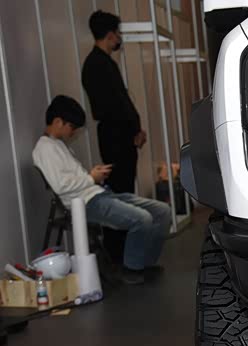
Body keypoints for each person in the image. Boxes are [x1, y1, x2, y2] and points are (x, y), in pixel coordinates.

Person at [33, 96, 170, 285]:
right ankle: (131, 269)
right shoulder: (44, 149)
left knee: (163, 211)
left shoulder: (58, 145)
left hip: (98, 194)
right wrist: (91, 177)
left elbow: (73, 179)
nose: (73, 132)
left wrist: (93, 175)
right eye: (72, 127)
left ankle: (144, 264)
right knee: (142, 219)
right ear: (58, 122)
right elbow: (61, 185)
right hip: (86, 203)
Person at [81, 10, 146, 194]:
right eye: (118, 34)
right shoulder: (99, 65)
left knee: (123, 185)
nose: (119, 39)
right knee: (122, 186)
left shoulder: (99, 63)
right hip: (117, 137)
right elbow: (117, 104)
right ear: (110, 35)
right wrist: (134, 130)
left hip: (117, 135)